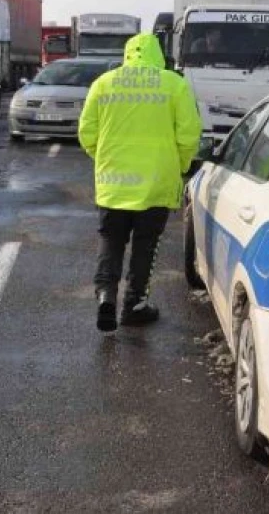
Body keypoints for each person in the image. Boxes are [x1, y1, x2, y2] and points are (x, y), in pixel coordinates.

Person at [79, 33, 202, 332]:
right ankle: (134, 303)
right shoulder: (174, 84)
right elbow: (188, 135)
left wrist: (105, 159)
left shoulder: (103, 83)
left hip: (113, 181)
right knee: (146, 245)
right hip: (155, 182)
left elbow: (86, 132)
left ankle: (106, 295)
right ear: (157, 54)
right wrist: (180, 166)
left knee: (111, 241)